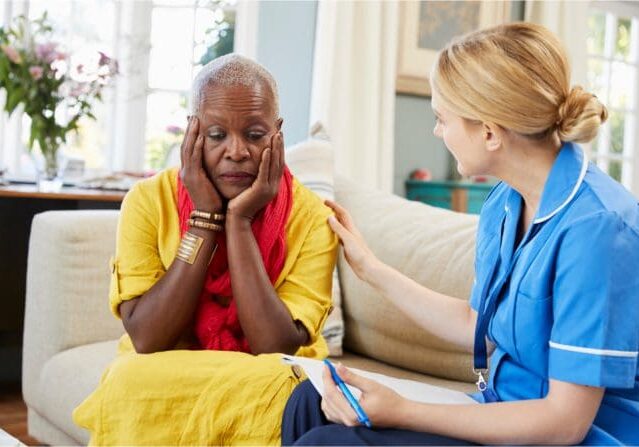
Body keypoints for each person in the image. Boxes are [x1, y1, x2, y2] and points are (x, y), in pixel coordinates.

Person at [281, 22, 639, 446]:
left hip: (571, 436)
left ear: (489, 132)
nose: (437, 131)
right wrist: (371, 269)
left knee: (328, 443)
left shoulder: (599, 229)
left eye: (441, 118)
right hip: (501, 409)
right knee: (309, 399)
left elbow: (564, 424)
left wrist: (403, 409)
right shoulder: (505, 203)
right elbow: (478, 326)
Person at [72, 54, 338, 445]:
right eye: (216, 135)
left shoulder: (313, 217)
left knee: (283, 386)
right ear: (192, 132)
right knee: (127, 378)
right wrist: (204, 219)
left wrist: (239, 222)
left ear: (277, 134)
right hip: (170, 364)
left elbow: (273, 347)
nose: (236, 151)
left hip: (264, 374)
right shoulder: (147, 201)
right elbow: (148, 339)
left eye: (255, 134)